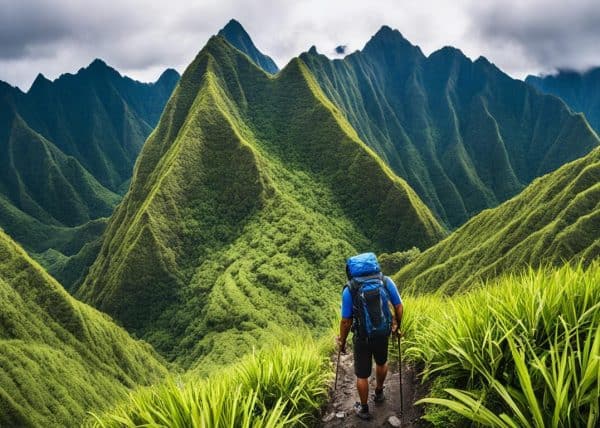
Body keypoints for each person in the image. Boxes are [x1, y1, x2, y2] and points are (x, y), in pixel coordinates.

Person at [337, 252, 403, 420]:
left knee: (362, 375)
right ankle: (379, 392)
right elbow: (399, 306)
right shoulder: (386, 281)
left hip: (362, 337)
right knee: (382, 362)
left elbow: (346, 321)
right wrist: (396, 326)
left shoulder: (350, 289)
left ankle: (364, 409)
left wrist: (342, 342)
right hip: (382, 332)